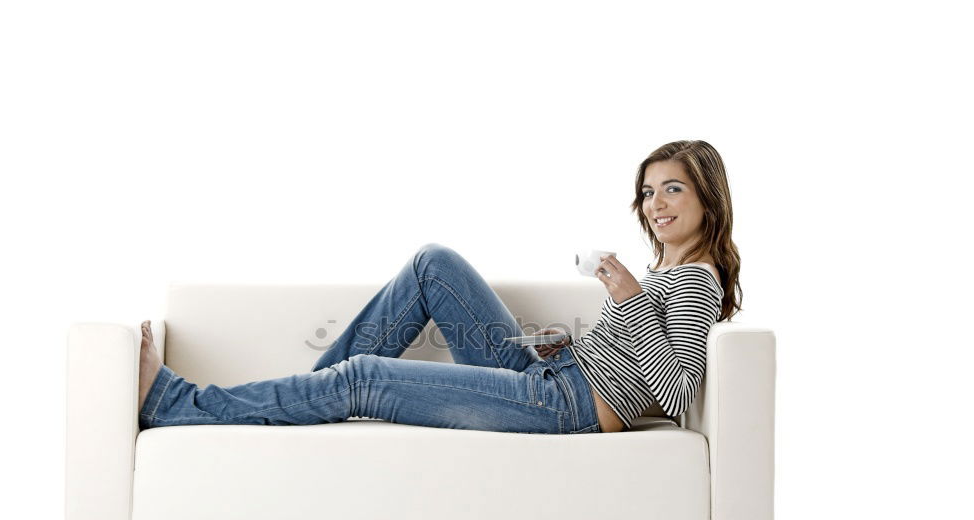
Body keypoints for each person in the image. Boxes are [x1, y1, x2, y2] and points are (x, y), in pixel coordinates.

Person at [137, 139, 742, 434]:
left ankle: (178, 404)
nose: (655, 203)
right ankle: (303, 403)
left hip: (565, 406)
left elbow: (678, 394)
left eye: (673, 189)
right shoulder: (670, 270)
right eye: (648, 190)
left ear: (705, 198)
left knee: (364, 377)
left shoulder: (697, 278)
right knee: (434, 264)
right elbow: (634, 360)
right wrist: (571, 341)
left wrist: (630, 301)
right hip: (550, 375)